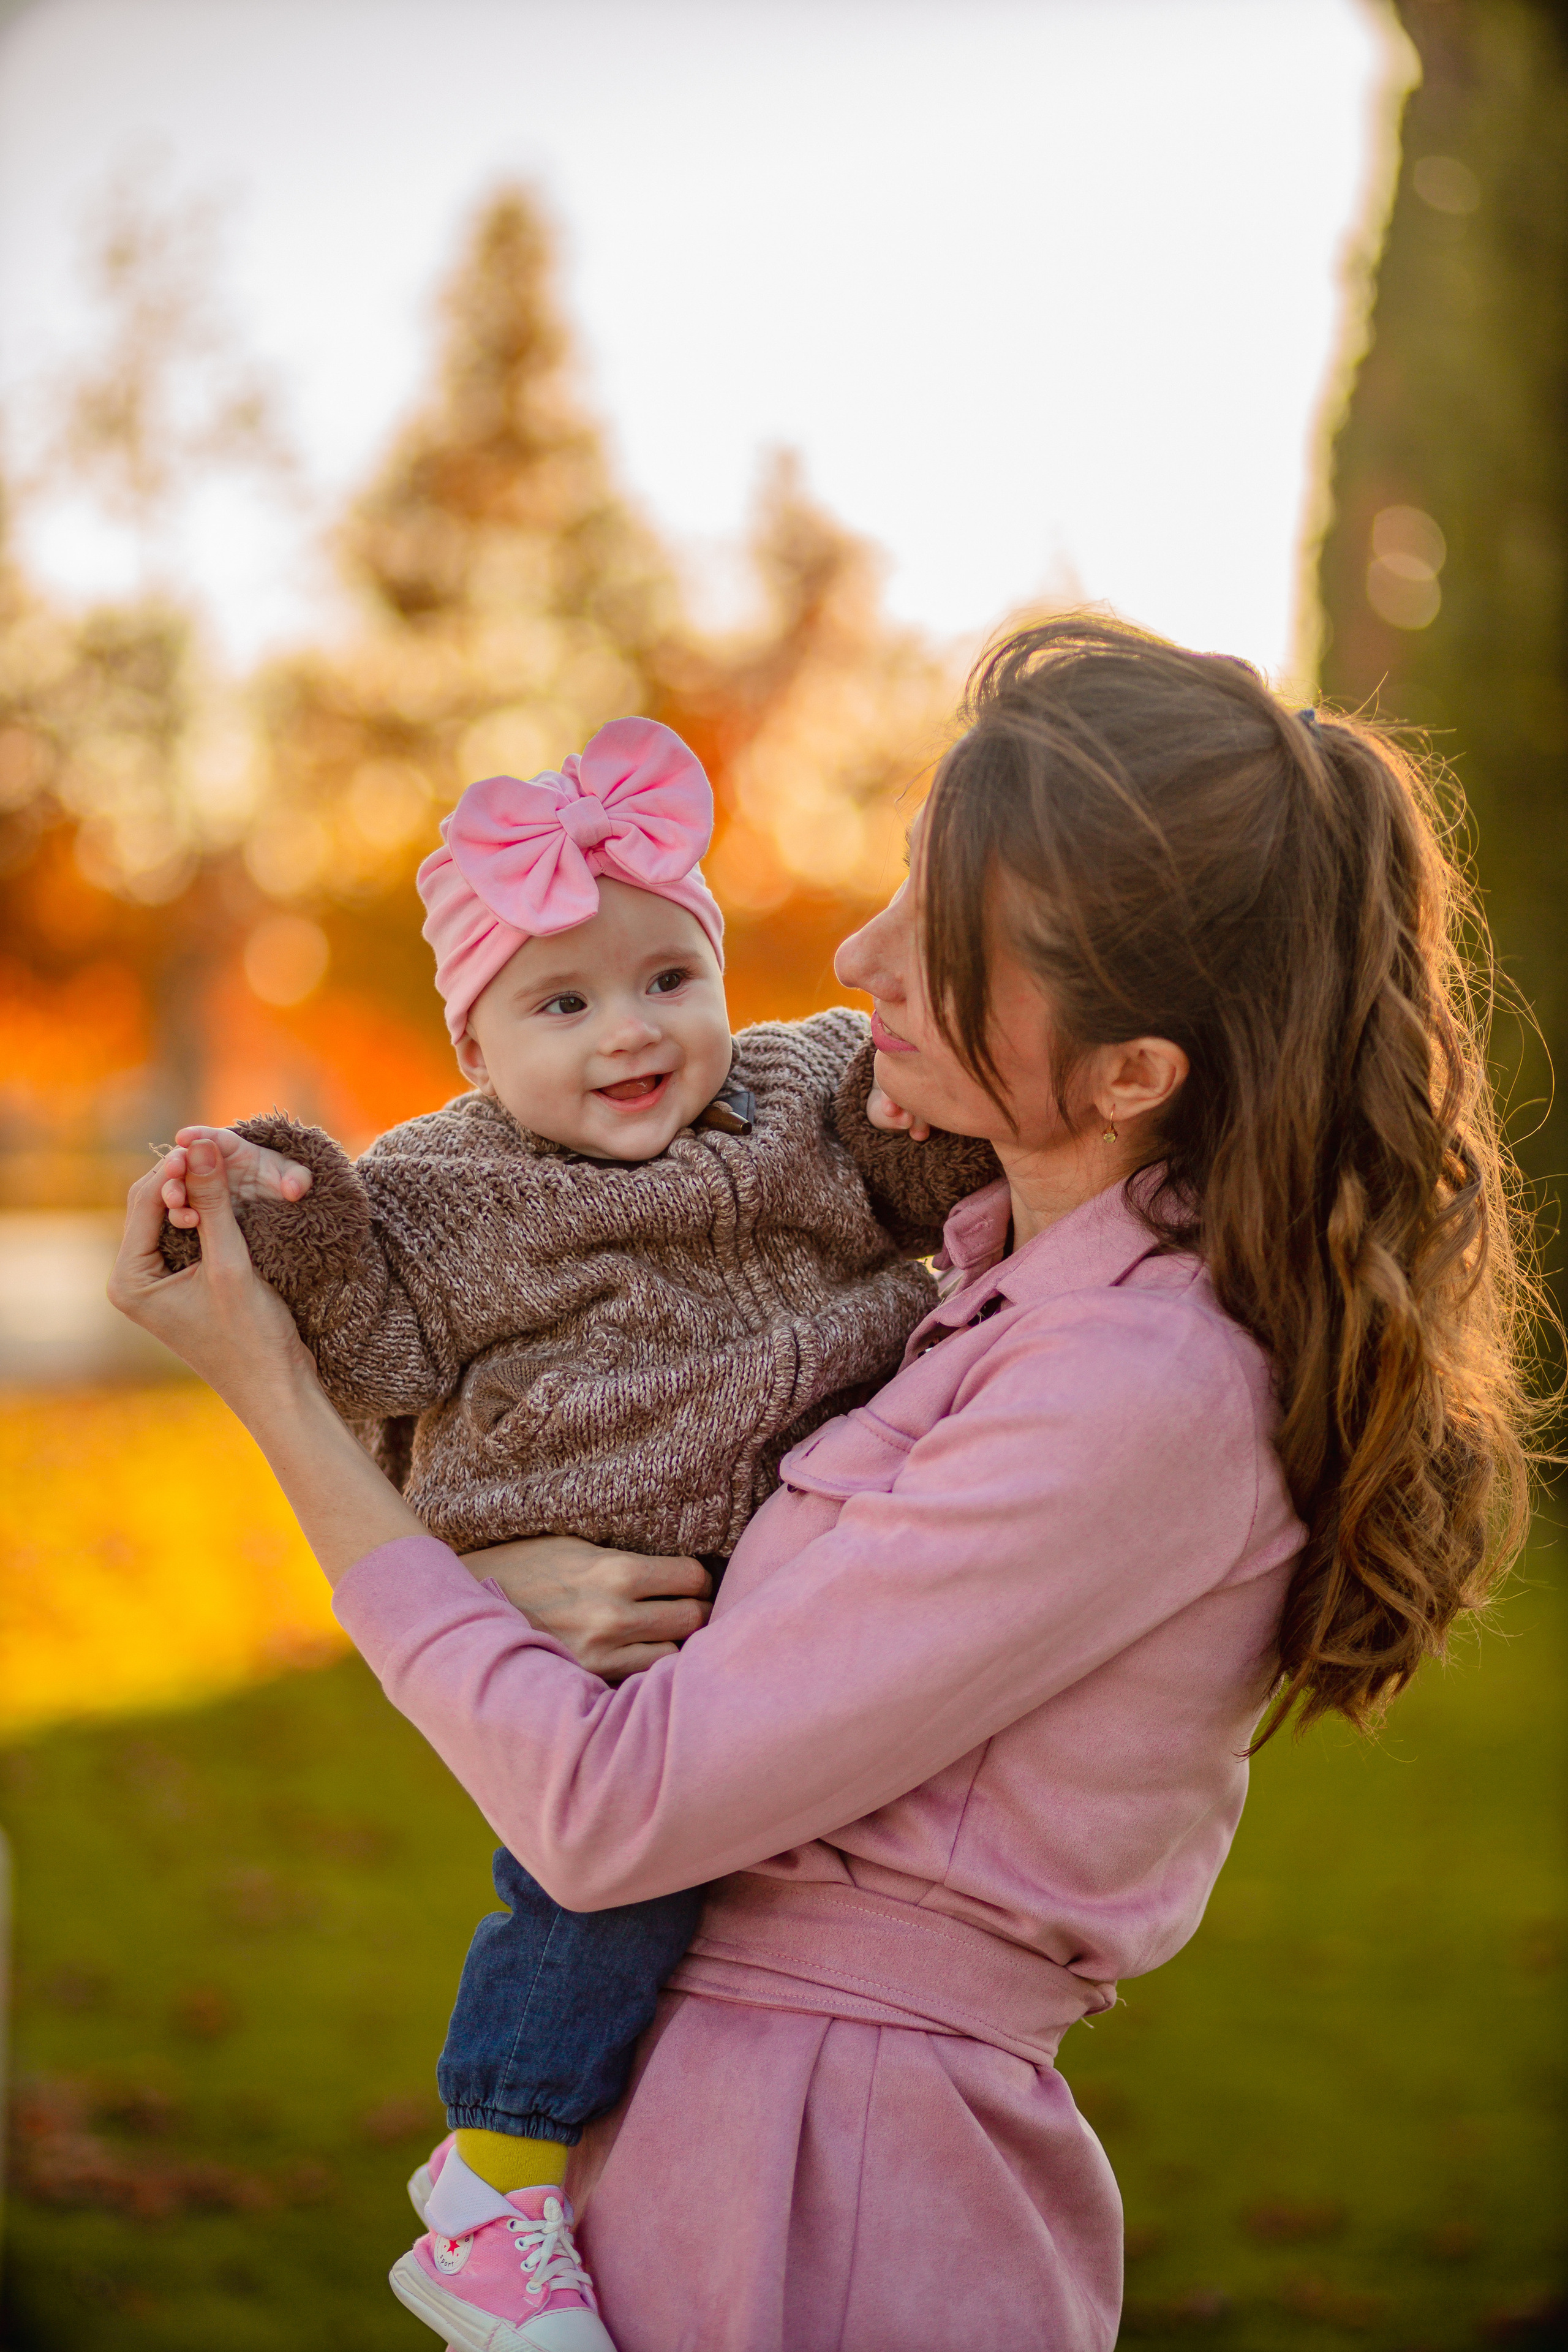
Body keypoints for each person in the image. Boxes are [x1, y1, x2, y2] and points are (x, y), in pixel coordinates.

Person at [112, 617, 1536, 2352]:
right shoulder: (988, 1291)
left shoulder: (1138, 1388)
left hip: (842, 2201)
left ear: (1132, 1073)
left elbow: (616, 1811)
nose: (859, 952)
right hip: (705, 2141)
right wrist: (498, 1589)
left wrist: (272, 1386)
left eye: (939, 936)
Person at [153, 713, 995, 2350]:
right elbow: (366, 1317)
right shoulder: (452, 1195)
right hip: (595, 1595)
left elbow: (943, 1152)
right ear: (476, 1052)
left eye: (669, 980)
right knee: (599, 1891)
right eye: (564, 1003)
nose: (631, 1033)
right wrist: (256, 1203)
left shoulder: (803, 1094)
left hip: (794, 1560)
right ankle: (493, 2180)